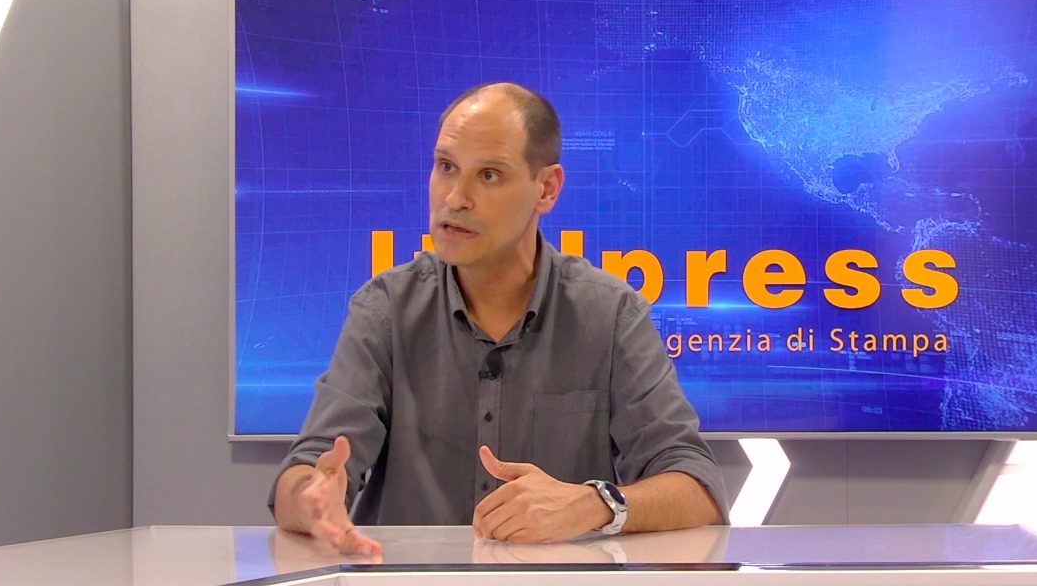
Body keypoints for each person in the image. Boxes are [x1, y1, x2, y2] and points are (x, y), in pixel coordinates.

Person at [269, 82, 728, 554]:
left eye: (489, 175)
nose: (456, 198)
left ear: (546, 189)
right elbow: (303, 475)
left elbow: (698, 488)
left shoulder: (610, 315)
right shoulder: (385, 309)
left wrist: (595, 504)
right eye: (446, 166)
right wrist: (312, 499)